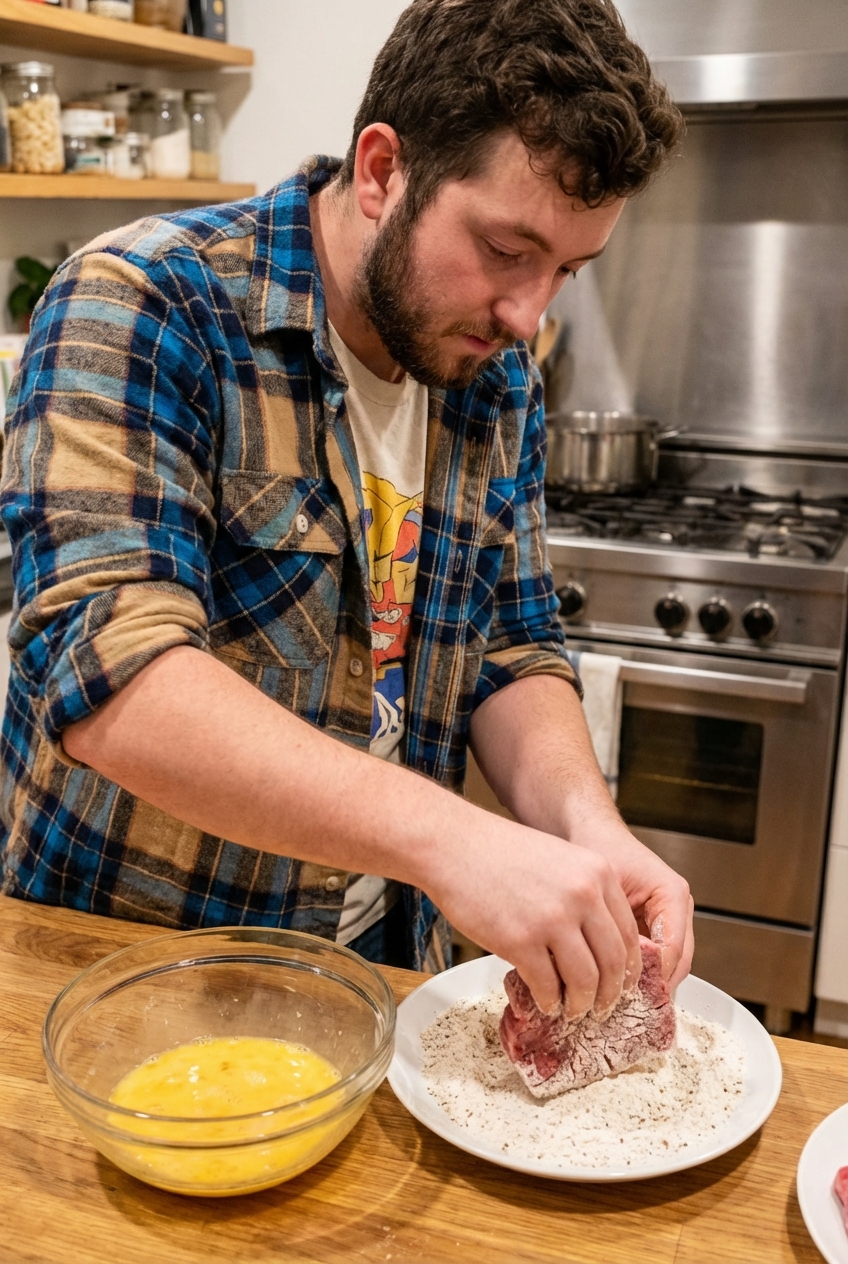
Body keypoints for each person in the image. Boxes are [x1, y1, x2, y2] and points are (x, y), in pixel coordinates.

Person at [0, 0, 693, 1021]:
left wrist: (590, 827)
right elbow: (113, 677)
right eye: (507, 249)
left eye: (565, 272)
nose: (527, 314)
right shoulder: (144, 301)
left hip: (378, 972)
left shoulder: (493, 379)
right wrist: (453, 836)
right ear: (381, 171)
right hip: (139, 977)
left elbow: (512, 643)